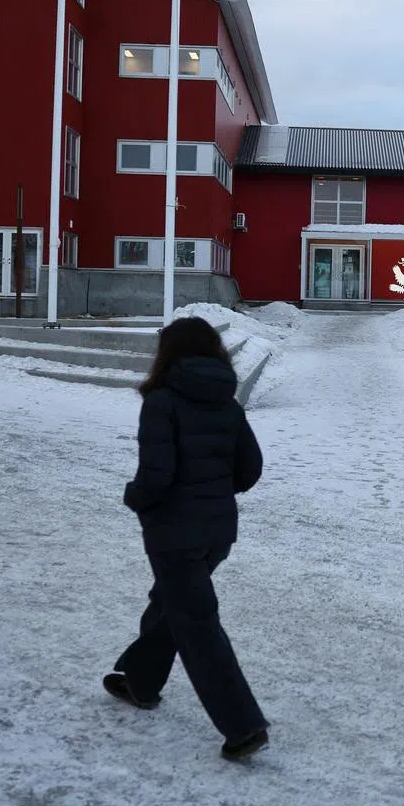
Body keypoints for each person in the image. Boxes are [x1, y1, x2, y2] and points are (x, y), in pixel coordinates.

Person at [104, 315, 269, 761]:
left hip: (173, 535)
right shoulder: (228, 403)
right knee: (171, 605)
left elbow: (156, 478)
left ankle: (244, 727)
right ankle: (140, 681)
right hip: (217, 532)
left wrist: (136, 498)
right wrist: (213, 492)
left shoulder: (161, 401)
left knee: (197, 625)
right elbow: (249, 470)